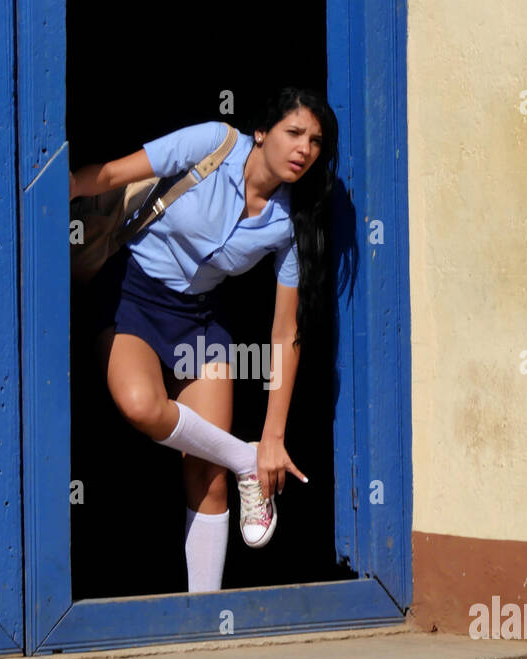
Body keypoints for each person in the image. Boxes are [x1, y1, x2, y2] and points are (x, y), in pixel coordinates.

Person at [69, 87, 338, 592]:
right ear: (262, 132)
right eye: (294, 132)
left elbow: (285, 333)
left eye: (316, 141)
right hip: (132, 291)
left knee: (208, 475)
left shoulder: (288, 224)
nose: (304, 148)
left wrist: (275, 436)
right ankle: (245, 460)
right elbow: (112, 173)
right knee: (141, 405)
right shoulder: (215, 142)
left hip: (199, 318)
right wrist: (62, 187)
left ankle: (207, 617)